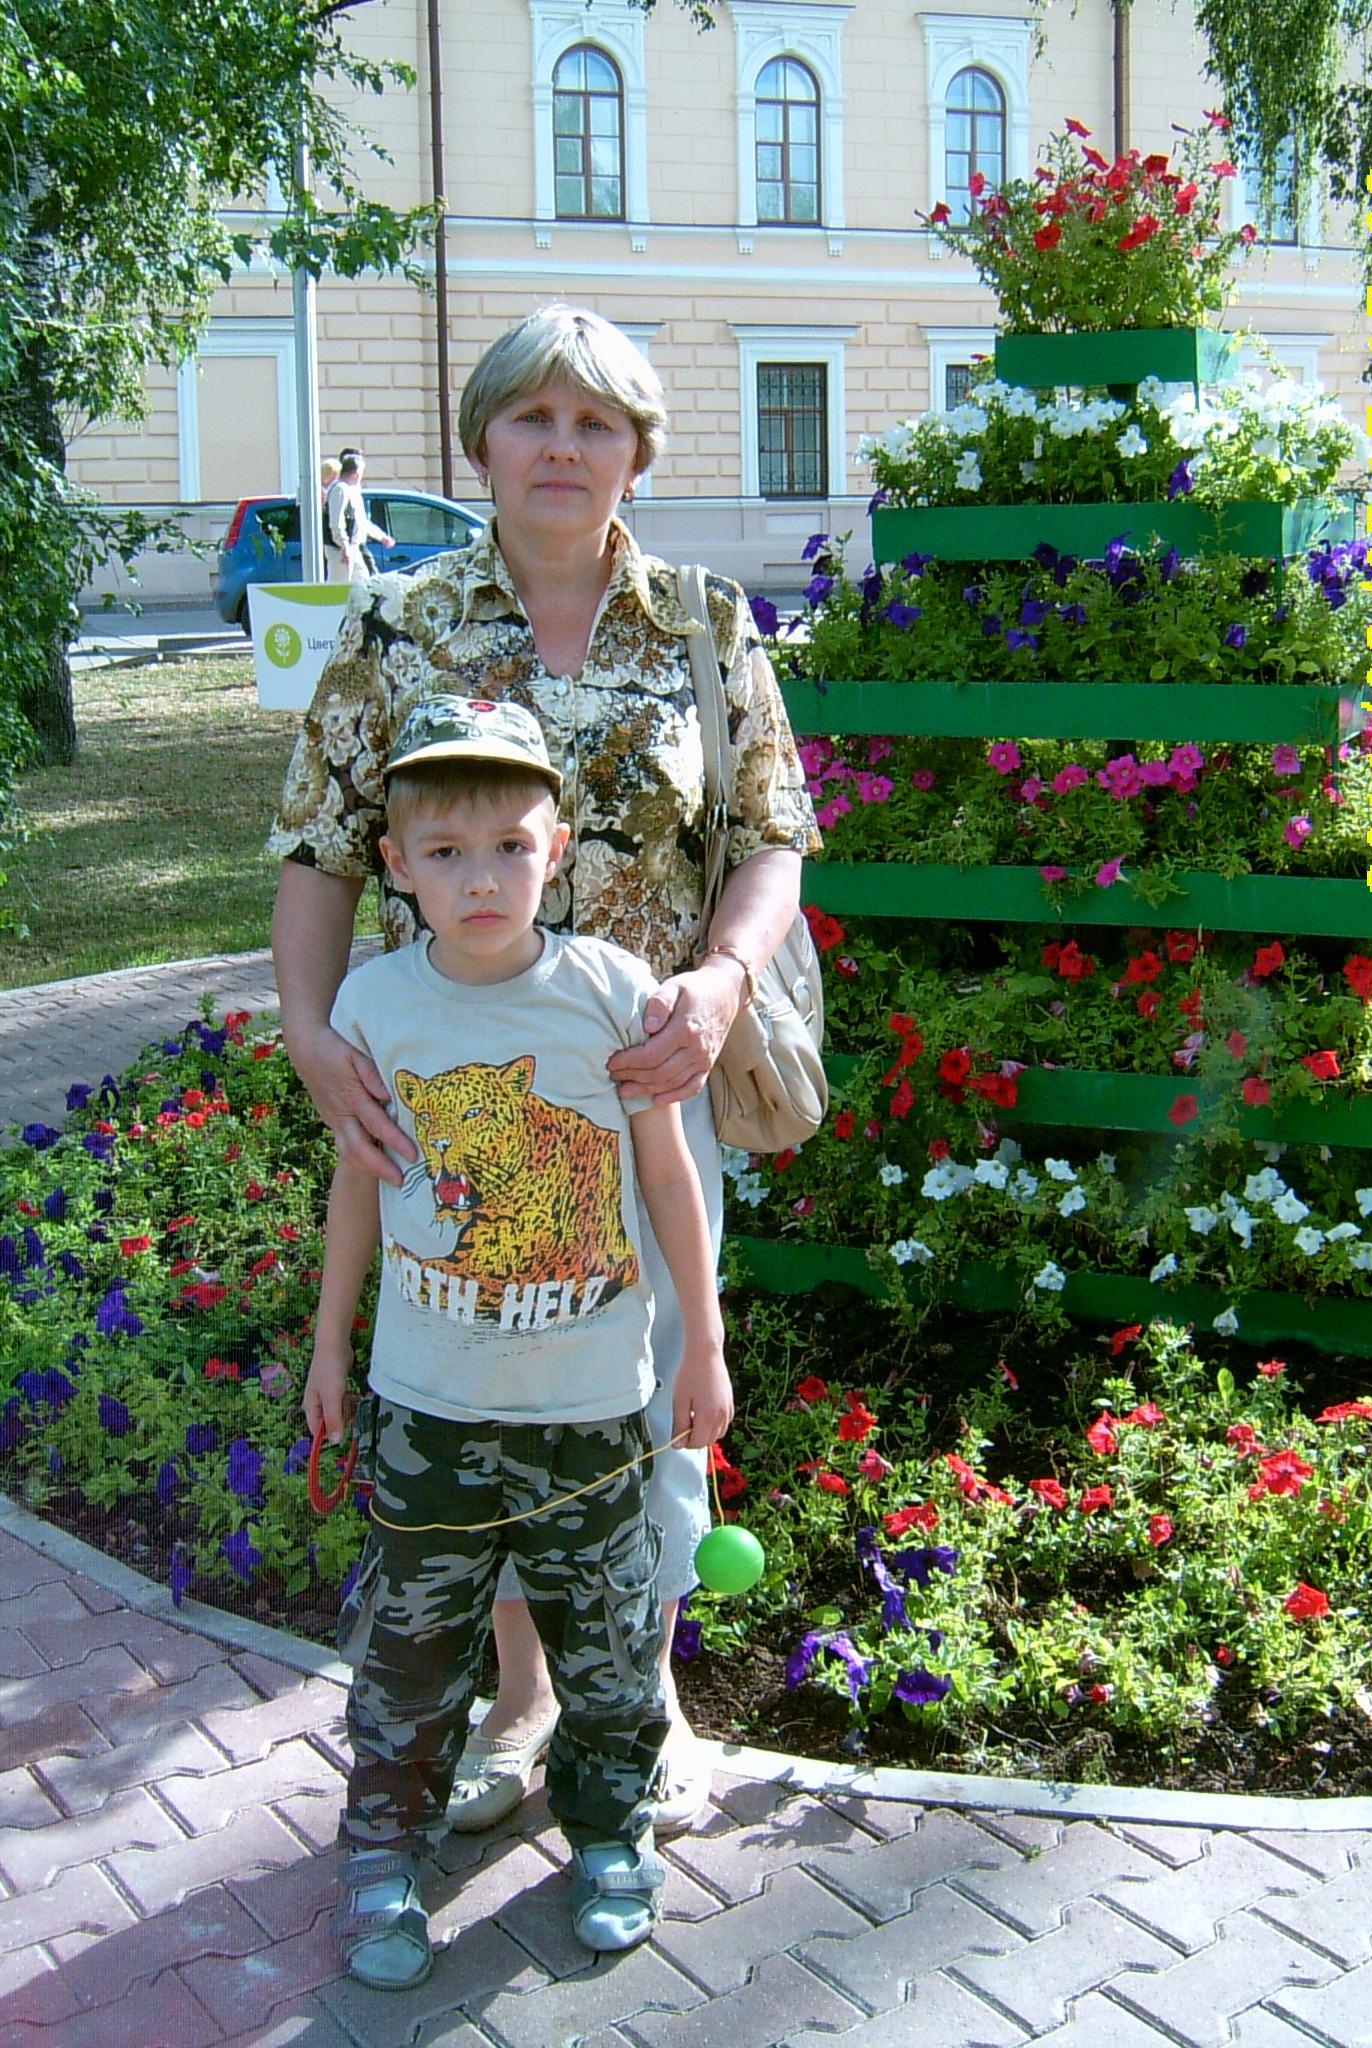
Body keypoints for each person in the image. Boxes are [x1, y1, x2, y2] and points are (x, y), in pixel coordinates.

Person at [269, 303, 817, 1836]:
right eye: (534, 418)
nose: (564, 447)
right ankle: (522, 1701)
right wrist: (313, 1035)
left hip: (646, 1085)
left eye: (597, 422)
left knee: (656, 1381)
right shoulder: (395, 631)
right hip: (454, 1100)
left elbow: (773, 837)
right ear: (483, 444)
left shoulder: (705, 621)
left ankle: (642, 1698)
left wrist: (722, 979)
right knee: (494, 1394)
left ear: (637, 450)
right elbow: (317, 856)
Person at [304, 692, 730, 1985]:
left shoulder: (608, 990)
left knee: (608, 1648)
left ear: (556, 846)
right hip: (427, 1403)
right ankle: (384, 1852)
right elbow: (360, 1183)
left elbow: (668, 1182)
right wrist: (329, 1347)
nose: (480, 878)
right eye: (446, 852)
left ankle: (609, 1838)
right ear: (397, 866)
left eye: (508, 845)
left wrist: (703, 1345)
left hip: (591, 1407)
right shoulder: (374, 1004)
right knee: (411, 1651)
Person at [325, 446, 393, 582]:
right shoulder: (340, 489)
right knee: (339, 586)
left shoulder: (352, 490)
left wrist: (381, 536)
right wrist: (344, 546)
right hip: (340, 549)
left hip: (353, 548)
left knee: (363, 582)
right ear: (355, 474)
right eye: (361, 472)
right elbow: (336, 522)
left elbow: (361, 521)